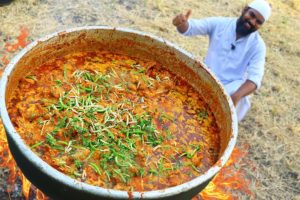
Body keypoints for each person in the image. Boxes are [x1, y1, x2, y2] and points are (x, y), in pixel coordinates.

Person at [173, 0, 271, 121]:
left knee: (217, 120)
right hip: (207, 77)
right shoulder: (220, 24)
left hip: (230, 88)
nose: (252, 22)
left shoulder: (258, 46)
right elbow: (190, 28)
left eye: (258, 22)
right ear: (245, 10)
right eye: (252, 15)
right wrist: (180, 23)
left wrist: (236, 96)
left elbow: (255, 79)